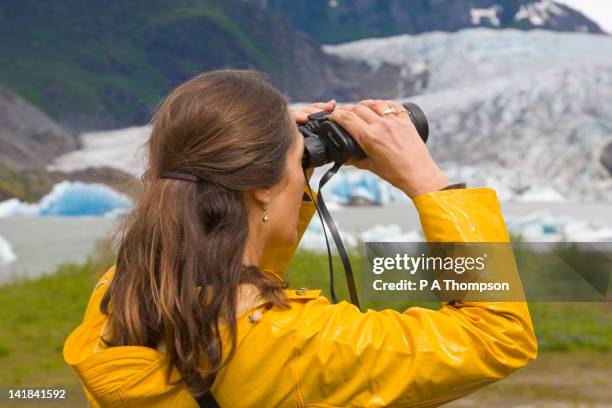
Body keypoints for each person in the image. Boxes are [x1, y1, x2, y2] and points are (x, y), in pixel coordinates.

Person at [63, 69, 537, 407]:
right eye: (298, 165)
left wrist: (272, 157)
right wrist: (429, 184)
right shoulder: (300, 345)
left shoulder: (115, 301)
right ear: (263, 187)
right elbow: (496, 336)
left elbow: (243, 278)